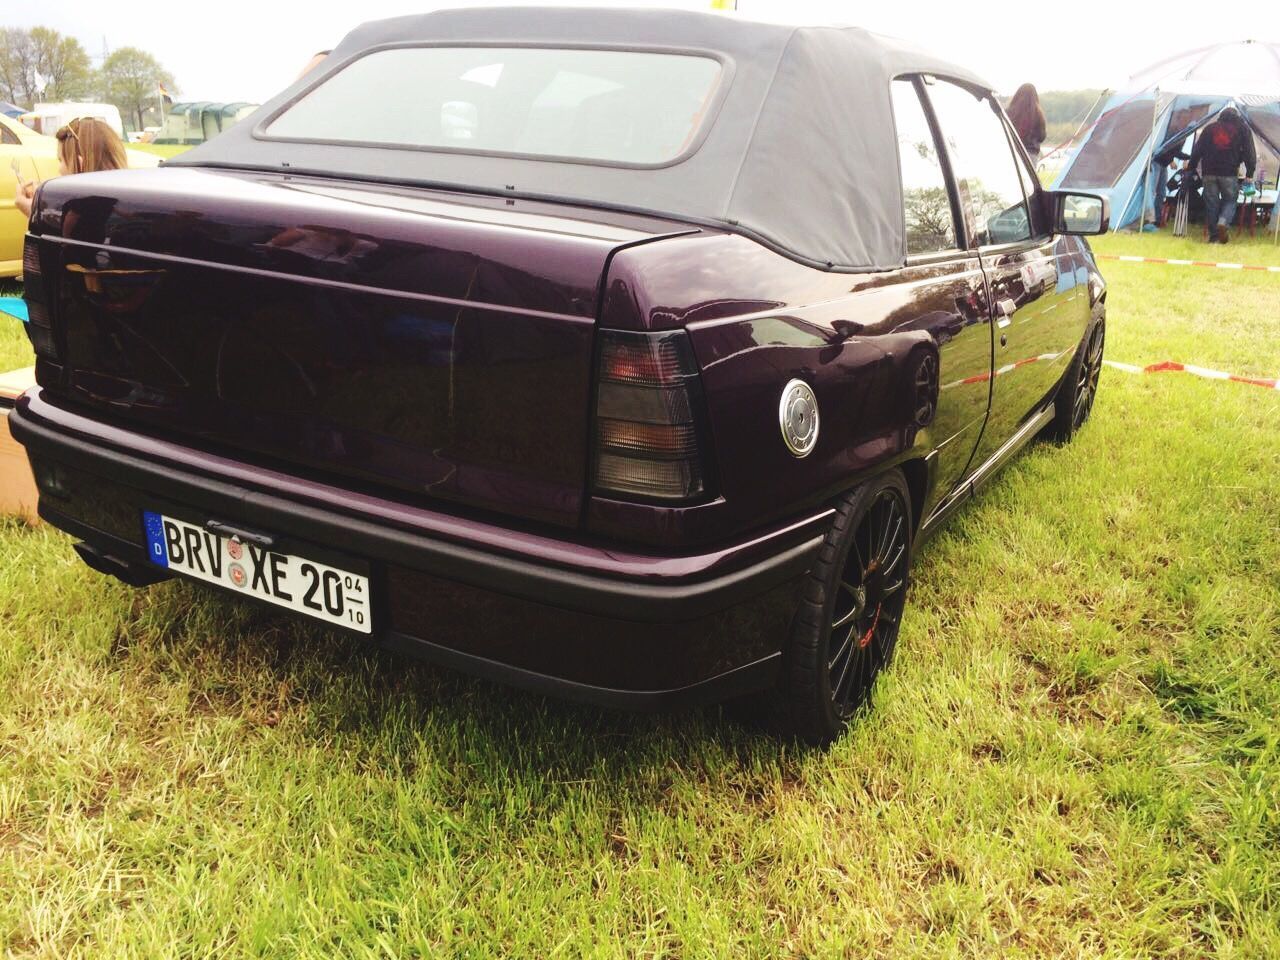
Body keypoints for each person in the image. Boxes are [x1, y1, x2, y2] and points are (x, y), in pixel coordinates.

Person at [14, 117, 127, 219]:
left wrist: (34, 214)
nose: (59, 169)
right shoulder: (130, 206)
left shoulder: (76, 218)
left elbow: (60, 241)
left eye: (61, 160)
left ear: (80, 164)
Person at [1187, 106, 1256, 243]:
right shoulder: (1242, 128)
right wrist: (1250, 171)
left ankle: (1214, 237)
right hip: (1229, 172)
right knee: (1230, 200)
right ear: (1236, 116)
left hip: (1209, 172)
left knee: (1212, 204)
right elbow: (1249, 151)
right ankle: (1223, 221)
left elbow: (1198, 149)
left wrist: (1192, 167)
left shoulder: (1210, 128)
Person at [1007, 83, 1046, 159]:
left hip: (1012, 152)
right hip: (1030, 155)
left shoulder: (1008, 112)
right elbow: (1042, 136)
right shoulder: (1038, 115)